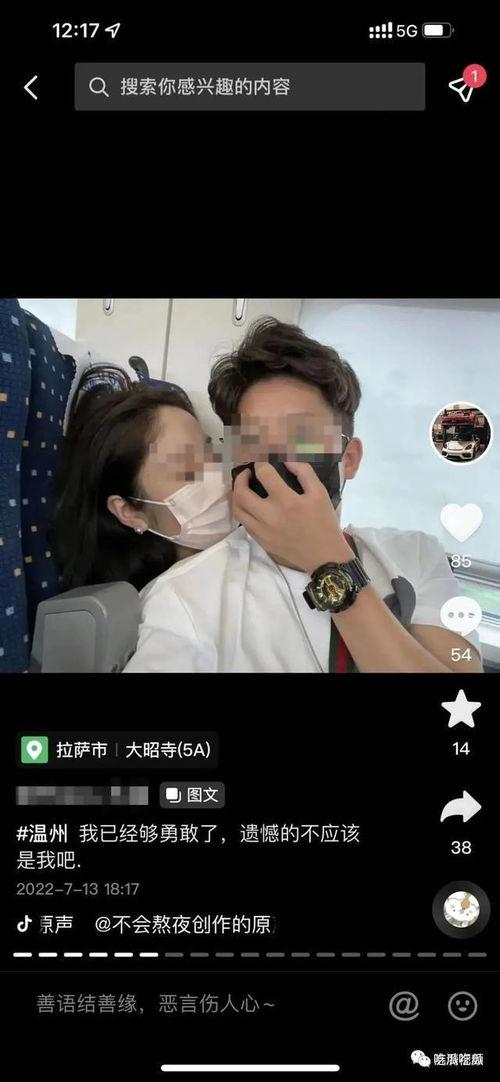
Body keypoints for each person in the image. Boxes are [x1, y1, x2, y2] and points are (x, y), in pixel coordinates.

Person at [123, 319, 483, 673]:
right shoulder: (185, 596)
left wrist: (326, 558)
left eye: (302, 436)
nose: (276, 459)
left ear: (349, 459)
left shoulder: (417, 555)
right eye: (253, 442)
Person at [52, 383, 232, 591]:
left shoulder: (249, 543)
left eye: (208, 451)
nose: (216, 474)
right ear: (129, 511)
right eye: (187, 467)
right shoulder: (163, 603)